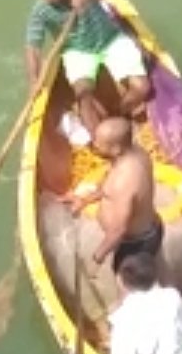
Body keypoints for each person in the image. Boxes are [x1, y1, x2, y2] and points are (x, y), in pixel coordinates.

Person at [24, 0, 152, 130]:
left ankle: (120, 114)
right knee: (83, 94)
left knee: (142, 87)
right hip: (77, 50)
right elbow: (32, 46)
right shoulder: (41, 9)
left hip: (110, 39)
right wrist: (33, 80)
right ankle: (99, 141)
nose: (49, 0)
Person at [68, 117, 163, 273]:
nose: (94, 144)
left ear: (116, 149)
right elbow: (107, 188)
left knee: (129, 287)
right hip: (151, 230)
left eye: (99, 142)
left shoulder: (124, 180)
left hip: (136, 245)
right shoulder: (135, 153)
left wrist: (97, 258)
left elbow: (119, 230)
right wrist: (84, 201)